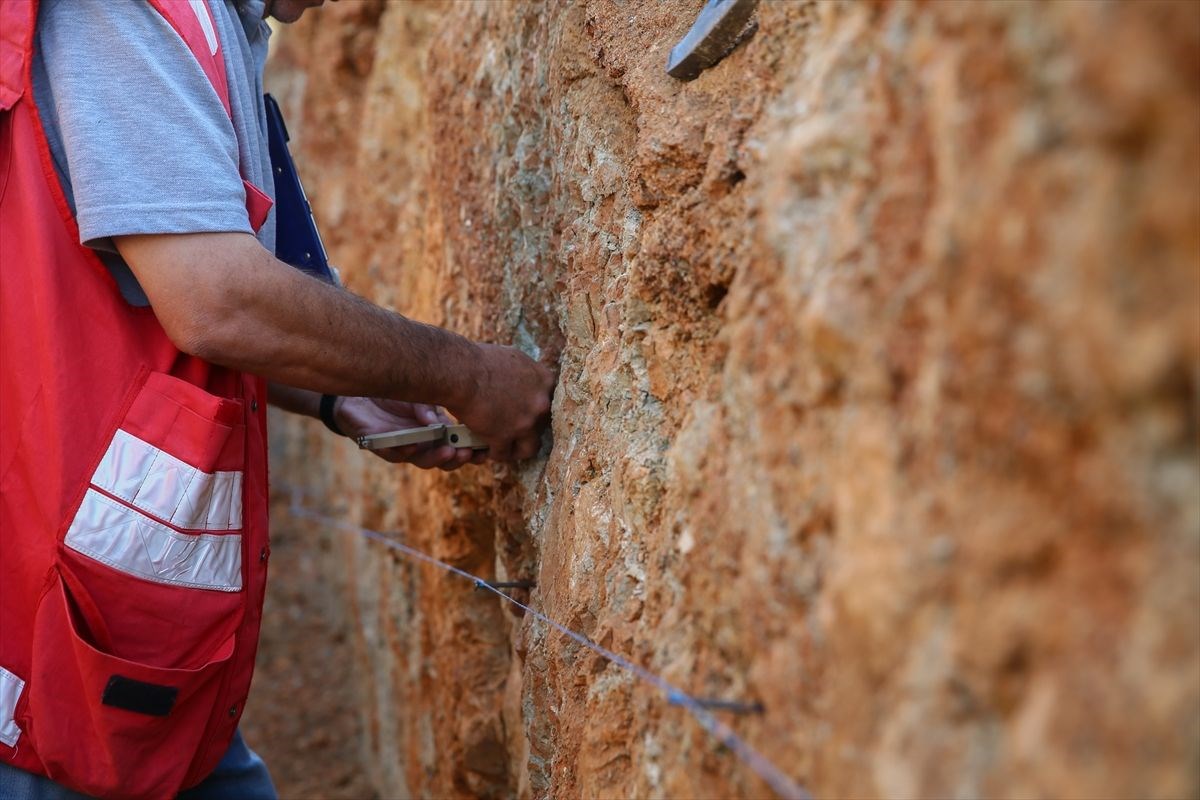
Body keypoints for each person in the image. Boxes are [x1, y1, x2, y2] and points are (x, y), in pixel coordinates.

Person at [0, 0, 554, 797]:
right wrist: (467, 376)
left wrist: (338, 395)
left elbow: (142, 304)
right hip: (49, 669)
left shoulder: (206, 20)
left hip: (118, 646)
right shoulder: (122, 16)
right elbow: (212, 296)